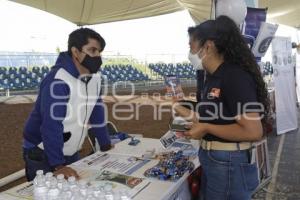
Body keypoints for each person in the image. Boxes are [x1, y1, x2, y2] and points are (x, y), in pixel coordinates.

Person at [174, 16, 270, 200]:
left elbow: (253, 131)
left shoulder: (234, 76)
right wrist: (178, 107)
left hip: (228, 162)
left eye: (191, 46)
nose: (190, 52)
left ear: (207, 46)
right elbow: (210, 118)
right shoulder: (212, 77)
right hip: (214, 160)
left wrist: (207, 128)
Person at [23, 28, 112, 181]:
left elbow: (97, 113)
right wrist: (58, 165)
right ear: (75, 52)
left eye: (99, 51)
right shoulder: (58, 80)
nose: (97, 56)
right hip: (42, 150)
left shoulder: (95, 79)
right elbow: (51, 125)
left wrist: (105, 144)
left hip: (70, 150)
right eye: (92, 50)